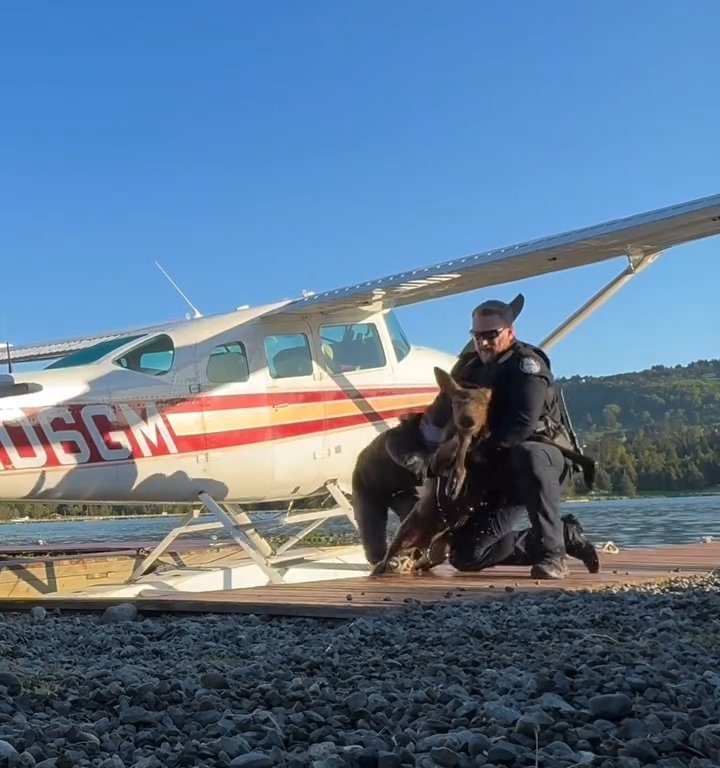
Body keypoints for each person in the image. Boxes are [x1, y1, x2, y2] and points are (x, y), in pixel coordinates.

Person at [420, 293, 598, 579]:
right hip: (496, 470)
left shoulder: (526, 366)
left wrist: (473, 457)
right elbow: (440, 414)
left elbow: (521, 424)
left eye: (491, 335)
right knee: (466, 556)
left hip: (541, 459)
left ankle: (553, 555)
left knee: (528, 454)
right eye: (477, 336)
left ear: (510, 332)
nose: (484, 342)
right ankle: (565, 535)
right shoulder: (468, 368)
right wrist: (431, 449)